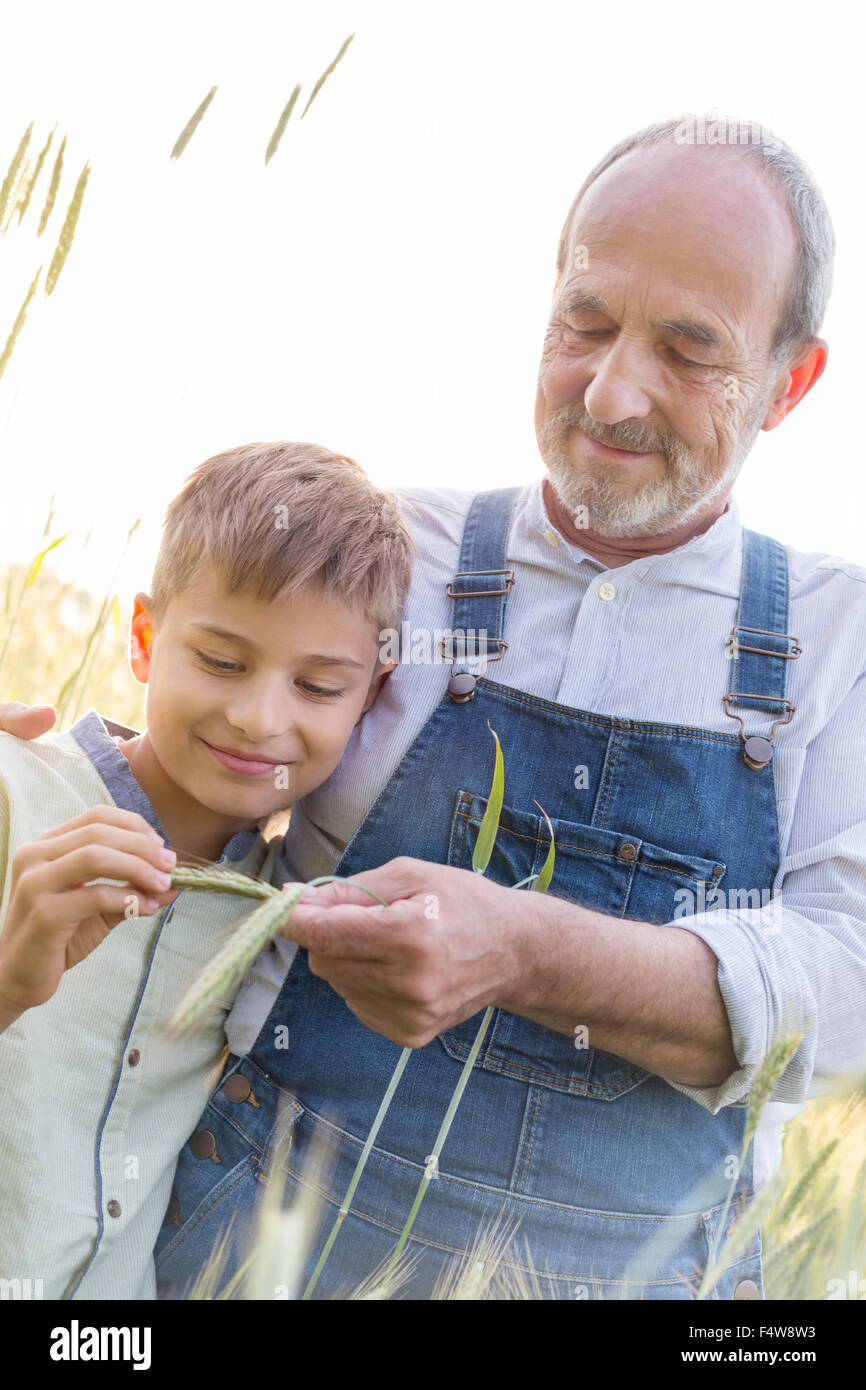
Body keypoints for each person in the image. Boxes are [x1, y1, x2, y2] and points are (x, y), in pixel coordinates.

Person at [6, 111, 865, 1301]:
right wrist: (40, 779)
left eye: (687, 349)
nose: (613, 391)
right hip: (258, 1251)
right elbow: (220, 734)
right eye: (586, 322)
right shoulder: (396, 547)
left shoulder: (836, 639)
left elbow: (848, 989)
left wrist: (525, 951)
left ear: (788, 381)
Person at [0, 441, 415, 1299]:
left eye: (318, 686)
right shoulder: (14, 790)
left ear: (371, 697)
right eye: (222, 661)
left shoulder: (279, 915)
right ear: (145, 638)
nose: (258, 717)